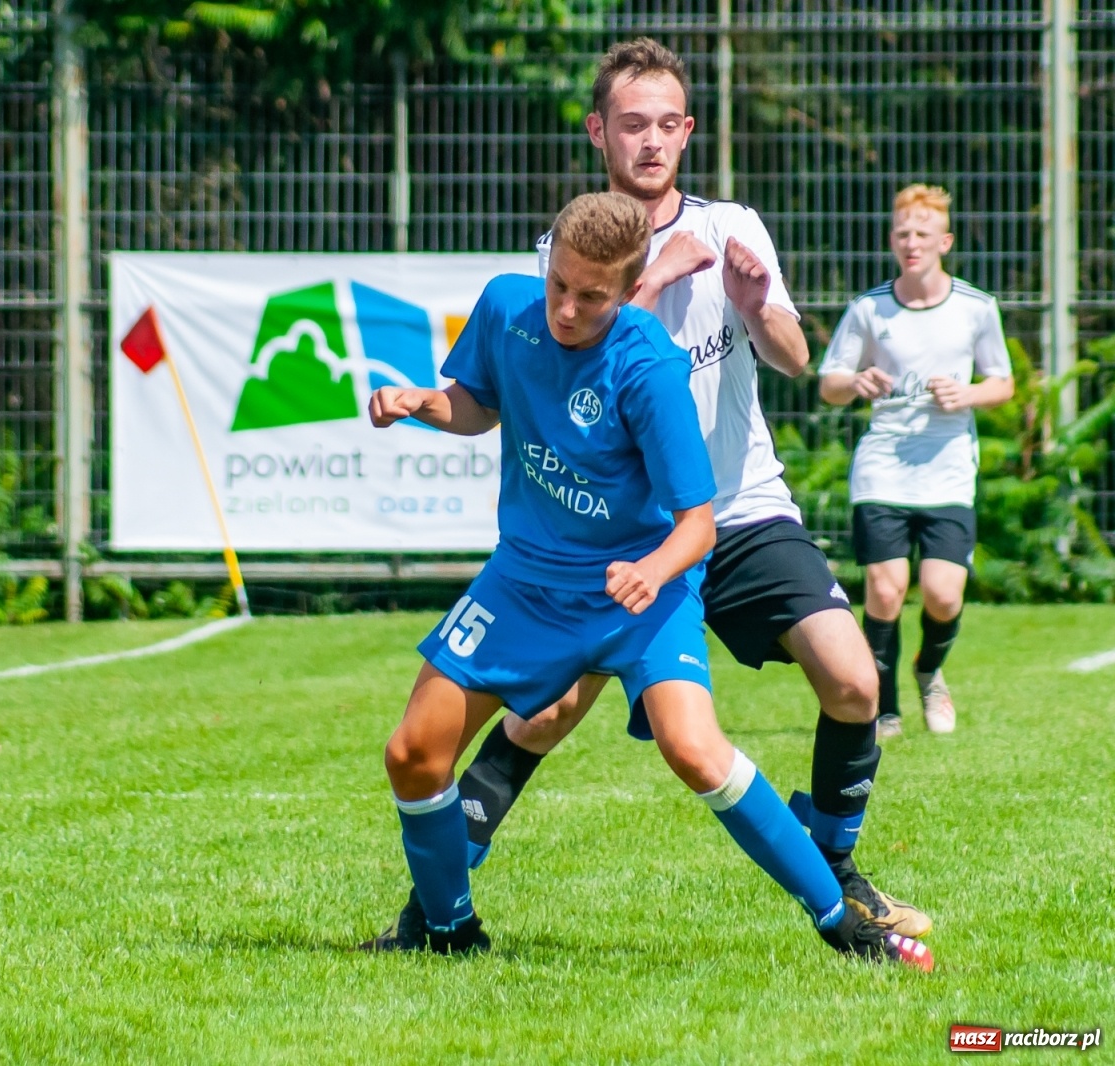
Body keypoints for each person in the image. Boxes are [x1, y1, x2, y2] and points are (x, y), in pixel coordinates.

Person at [366, 37, 931, 950]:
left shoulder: (733, 225)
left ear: (688, 132)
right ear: (599, 133)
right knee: (540, 716)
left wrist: (756, 306)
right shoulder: (567, 251)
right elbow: (552, 364)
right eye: (633, 124)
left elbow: (794, 360)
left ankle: (836, 866)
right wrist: (435, 400)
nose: (653, 141)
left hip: (734, 511)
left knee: (854, 680)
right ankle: (436, 913)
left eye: (669, 124)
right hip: (616, 534)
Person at [818, 183, 1014, 736]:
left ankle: (929, 670)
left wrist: (967, 394)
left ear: (944, 241)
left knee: (943, 593)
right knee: (884, 589)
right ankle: (885, 705)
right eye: (902, 233)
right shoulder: (869, 308)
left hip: (948, 468)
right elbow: (829, 384)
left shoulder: (976, 308)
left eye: (923, 234)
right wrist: (855, 381)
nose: (911, 243)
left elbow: (1002, 383)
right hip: (882, 467)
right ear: (892, 239)